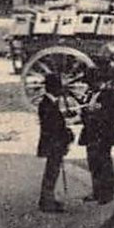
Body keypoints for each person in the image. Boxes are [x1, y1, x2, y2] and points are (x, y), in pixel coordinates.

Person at [36, 74, 75, 212]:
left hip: (54, 144)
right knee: (51, 173)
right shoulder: (47, 104)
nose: (61, 90)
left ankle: (48, 200)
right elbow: (54, 127)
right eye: (59, 87)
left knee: (52, 172)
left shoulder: (49, 102)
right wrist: (67, 134)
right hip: (54, 144)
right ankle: (47, 203)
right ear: (54, 88)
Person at [80, 81, 114, 204]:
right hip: (90, 133)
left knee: (104, 163)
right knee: (93, 163)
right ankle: (97, 192)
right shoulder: (89, 94)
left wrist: (97, 110)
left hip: (104, 134)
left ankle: (107, 194)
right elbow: (83, 109)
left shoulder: (110, 94)